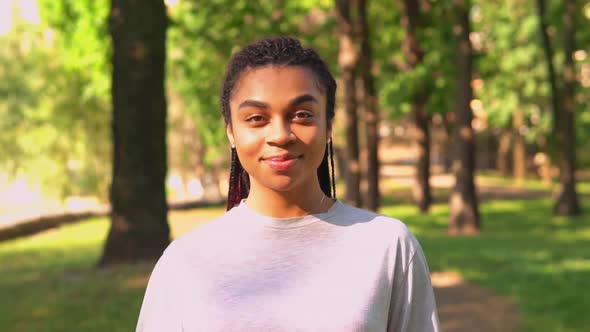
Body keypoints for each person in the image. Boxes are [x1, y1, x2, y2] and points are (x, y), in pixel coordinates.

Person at [137, 36, 440, 332]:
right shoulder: (186, 261)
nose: (280, 135)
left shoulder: (387, 246)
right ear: (231, 131)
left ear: (328, 127)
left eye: (302, 115)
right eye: (256, 118)